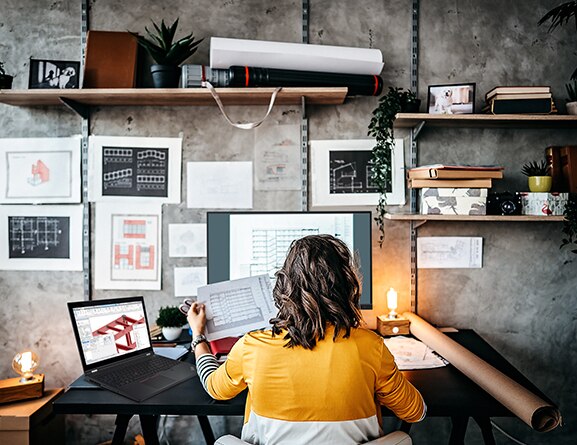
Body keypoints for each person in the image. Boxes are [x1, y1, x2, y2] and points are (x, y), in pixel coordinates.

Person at [187, 234, 426, 445]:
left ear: (284, 285)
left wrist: (198, 336)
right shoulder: (370, 346)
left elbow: (214, 386)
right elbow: (415, 412)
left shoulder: (252, 346)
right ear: (347, 286)